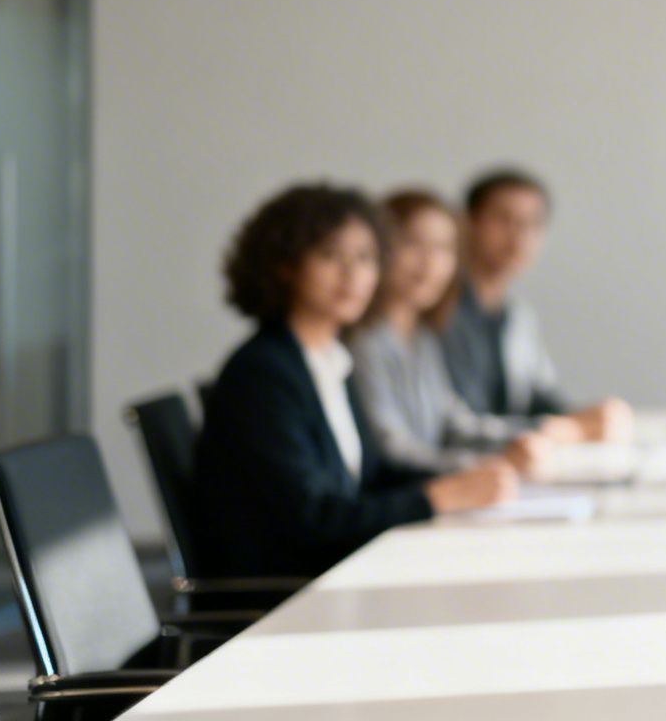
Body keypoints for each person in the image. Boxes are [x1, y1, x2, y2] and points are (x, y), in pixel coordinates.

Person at [195, 183, 515, 579]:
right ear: (284, 265)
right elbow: (311, 517)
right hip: (288, 591)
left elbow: (370, 477)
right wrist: (436, 497)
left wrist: (464, 480)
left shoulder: (328, 360)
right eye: (330, 255)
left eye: (365, 258)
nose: (353, 275)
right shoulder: (263, 372)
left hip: (336, 571)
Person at [350, 189, 557, 474]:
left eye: (443, 248)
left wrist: (536, 435)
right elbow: (392, 450)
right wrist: (488, 465)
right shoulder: (364, 341)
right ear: (379, 248)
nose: (429, 262)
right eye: (412, 243)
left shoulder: (423, 337)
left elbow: (454, 424)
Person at [439, 167, 630, 441]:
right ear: (469, 223)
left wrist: (581, 417)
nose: (519, 235)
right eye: (504, 219)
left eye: (532, 223)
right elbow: (455, 425)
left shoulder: (517, 316)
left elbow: (538, 394)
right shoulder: (440, 312)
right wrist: (563, 430)